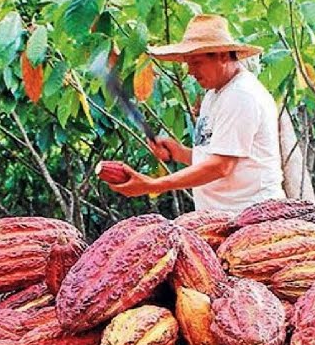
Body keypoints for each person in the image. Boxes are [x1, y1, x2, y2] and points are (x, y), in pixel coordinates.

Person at [107, 14, 286, 212]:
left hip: (252, 215)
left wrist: (152, 185)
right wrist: (180, 153)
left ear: (223, 56)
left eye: (196, 63)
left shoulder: (241, 95)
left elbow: (221, 166)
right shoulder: (214, 94)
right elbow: (218, 156)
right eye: (188, 63)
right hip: (223, 217)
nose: (190, 71)